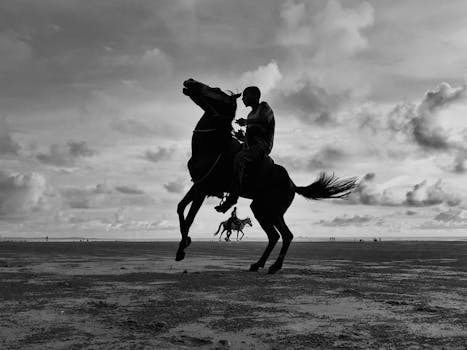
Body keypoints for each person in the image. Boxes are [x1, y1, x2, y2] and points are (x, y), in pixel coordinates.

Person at [215, 86, 275, 213]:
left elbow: (264, 120)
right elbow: (249, 139)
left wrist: (247, 122)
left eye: (245, 95)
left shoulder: (264, 107)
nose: (242, 99)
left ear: (255, 96)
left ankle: (232, 198)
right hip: (250, 146)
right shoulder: (250, 114)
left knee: (239, 158)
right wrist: (241, 137)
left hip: (262, 147)